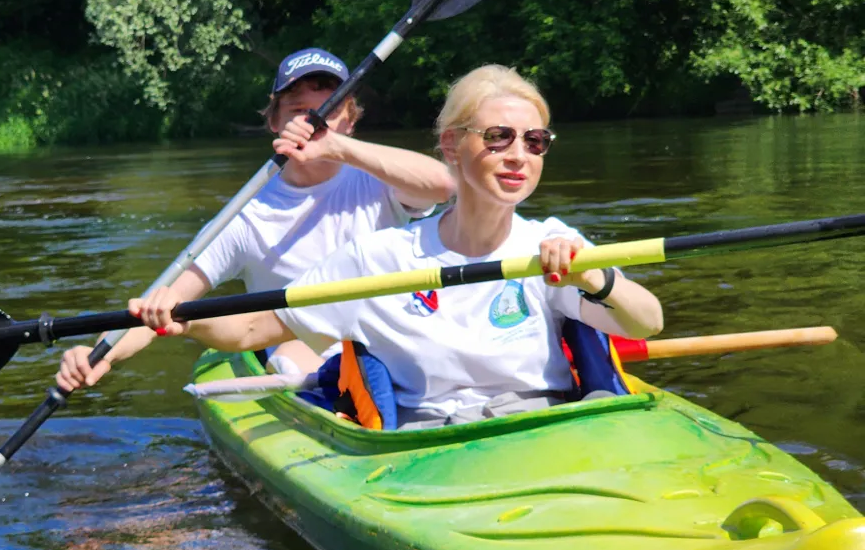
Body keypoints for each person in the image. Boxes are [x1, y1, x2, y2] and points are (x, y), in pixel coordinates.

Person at [128, 64, 664, 427]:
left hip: (545, 427)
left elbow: (647, 322)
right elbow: (250, 328)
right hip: (427, 446)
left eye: (534, 141)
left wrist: (596, 278)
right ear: (452, 145)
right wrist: (184, 318)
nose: (518, 154)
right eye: (498, 137)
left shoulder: (551, 242)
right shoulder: (378, 260)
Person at [56, 47, 456, 392]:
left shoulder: (380, 179)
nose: (314, 123)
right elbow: (163, 302)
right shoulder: (244, 216)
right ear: (274, 122)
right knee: (294, 353)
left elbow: (444, 186)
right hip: (299, 355)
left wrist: (337, 148)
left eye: (328, 112)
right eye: (300, 112)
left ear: (349, 122)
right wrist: (99, 355)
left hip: (391, 344)